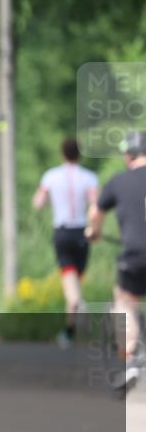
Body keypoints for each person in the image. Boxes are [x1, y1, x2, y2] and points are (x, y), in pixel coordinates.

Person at [86, 131, 146, 397]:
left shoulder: (118, 182)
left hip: (135, 254)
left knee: (124, 301)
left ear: (128, 155)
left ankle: (132, 356)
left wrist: (94, 232)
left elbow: (96, 213)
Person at [32, 137, 98, 348]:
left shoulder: (51, 176)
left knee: (70, 283)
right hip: (82, 232)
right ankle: (70, 331)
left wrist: (51, 198)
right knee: (74, 281)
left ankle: (76, 316)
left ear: (62, 154)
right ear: (80, 154)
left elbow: (38, 203)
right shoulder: (89, 178)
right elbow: (95, 206)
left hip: (62, 232)